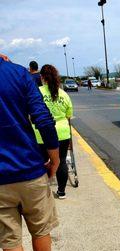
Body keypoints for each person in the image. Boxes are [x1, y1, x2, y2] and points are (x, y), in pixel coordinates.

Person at [0, 55, 63, 251]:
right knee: (40, 229)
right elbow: (43, 119)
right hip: (28, 168)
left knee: (9, 239)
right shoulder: (17, 73)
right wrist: (54, 155)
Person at [34, 64, 73, 199]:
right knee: (61, 161)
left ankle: (42, 192)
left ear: (42, 77)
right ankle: (61, 191)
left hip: (41, 133)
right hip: (62, 132)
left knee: (41, 161)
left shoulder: (37, 92)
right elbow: (69, 115)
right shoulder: (64, 94)